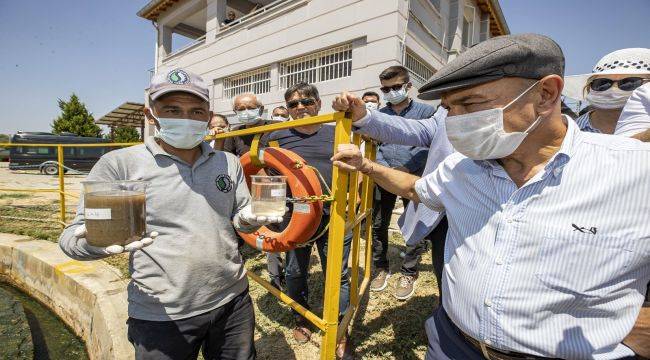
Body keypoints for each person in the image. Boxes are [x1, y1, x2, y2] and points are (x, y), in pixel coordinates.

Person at [331, 34, 650, 359]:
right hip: (452, 344)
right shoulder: (459, 168)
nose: (455, 121)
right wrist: (367, 164)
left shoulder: (635, 171)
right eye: (448, 109)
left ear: (546, 94)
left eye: (470, 104)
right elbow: (415, 188)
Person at [59, 68, 282, 360]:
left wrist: (250, 218)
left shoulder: (228, 162)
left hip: (233, 299)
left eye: (196, 111)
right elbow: (71, 238)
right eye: (173, 110)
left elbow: (238, 220)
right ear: (151, 114)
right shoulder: (120, 165)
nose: (186, 119)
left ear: (208, 115)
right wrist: (93, 243)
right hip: (163, 314)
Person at [263, 82, 352, 358]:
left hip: (334, 217)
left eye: (307, 102)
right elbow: (268, 174)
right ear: (287, 109)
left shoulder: (339, 130)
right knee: (295, 271)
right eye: (293, 104)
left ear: (318, 104)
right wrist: (269, 216)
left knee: (338, 275)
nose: (300, 107)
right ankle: (302, 318)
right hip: (295, 218)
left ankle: (339, 328)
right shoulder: (275, 136)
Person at [363, 65, 448, 301]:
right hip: (383, 177)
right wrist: (385, 169)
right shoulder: (380, 115)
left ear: (408, 86)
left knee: (416, 222)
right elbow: (375, 145)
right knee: (378, 223)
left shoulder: (425, 112)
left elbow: (432, 145)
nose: (391, 92)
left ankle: (409, 271)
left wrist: (406, 168)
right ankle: (380, 267)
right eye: (386, 88)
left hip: (415, 177)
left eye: (396, 87)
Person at [564, 48, 650, 134]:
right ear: (588, 88)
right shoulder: (567, 133)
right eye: (602, 84)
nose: (613, 90)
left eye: (629, 82)